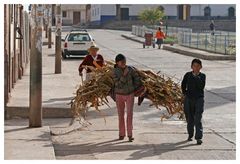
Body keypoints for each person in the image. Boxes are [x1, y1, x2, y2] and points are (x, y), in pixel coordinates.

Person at [113, 54, 142, 142]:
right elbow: (118, 84)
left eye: (125, 61)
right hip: (119, 95)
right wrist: (124, 75)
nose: (124, 63)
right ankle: (121, 134)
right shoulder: (114, 71)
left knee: (130, 114)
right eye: (122, 62)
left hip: (130, 94)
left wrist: (134, 89)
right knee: (120, 115)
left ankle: (130, 134)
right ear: (117, 63)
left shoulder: (130, 69)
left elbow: (137, 79)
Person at [181, 59, 206, 145]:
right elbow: (183, 85)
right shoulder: (187, 75)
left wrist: (196, 76)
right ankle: (190, 135)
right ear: (191, 67)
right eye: (194, 66)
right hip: (188, 99)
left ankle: (198, 137)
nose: (196, 68)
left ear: (201, 67)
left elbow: (201, 86)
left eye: (198, 66)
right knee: (189, 118)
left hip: (199, 99)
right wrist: (184, 94)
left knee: (198, 118)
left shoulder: (203, 76)